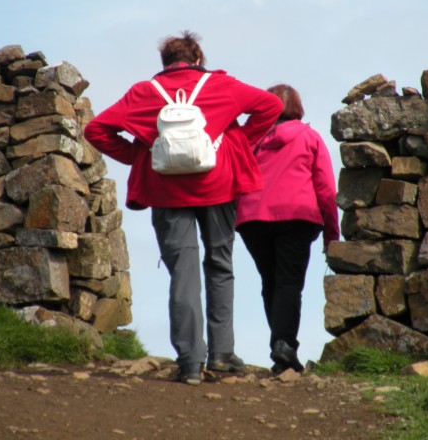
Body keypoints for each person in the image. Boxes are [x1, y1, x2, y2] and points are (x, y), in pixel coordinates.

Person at [84, 31, 283, 385]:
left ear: (164, 64)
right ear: (197, 59)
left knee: (183, 272)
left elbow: (96, 130)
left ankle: (190, 362)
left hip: (166, 191)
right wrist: (237, 142)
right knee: (220, 264)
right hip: (219, 185)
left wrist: (140, 155)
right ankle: (222, 355)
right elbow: (272, 106)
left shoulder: (143, 92)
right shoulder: (220, 85)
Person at [235, 84, 339, 374]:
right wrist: (332, 235)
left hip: (252, 219)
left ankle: (281, 345)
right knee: (289, 283)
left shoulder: (249, 141)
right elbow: (326, 190)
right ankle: (284, 346)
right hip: (297, 217)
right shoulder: (309, 137)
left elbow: (235, 180)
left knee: (271, 282)